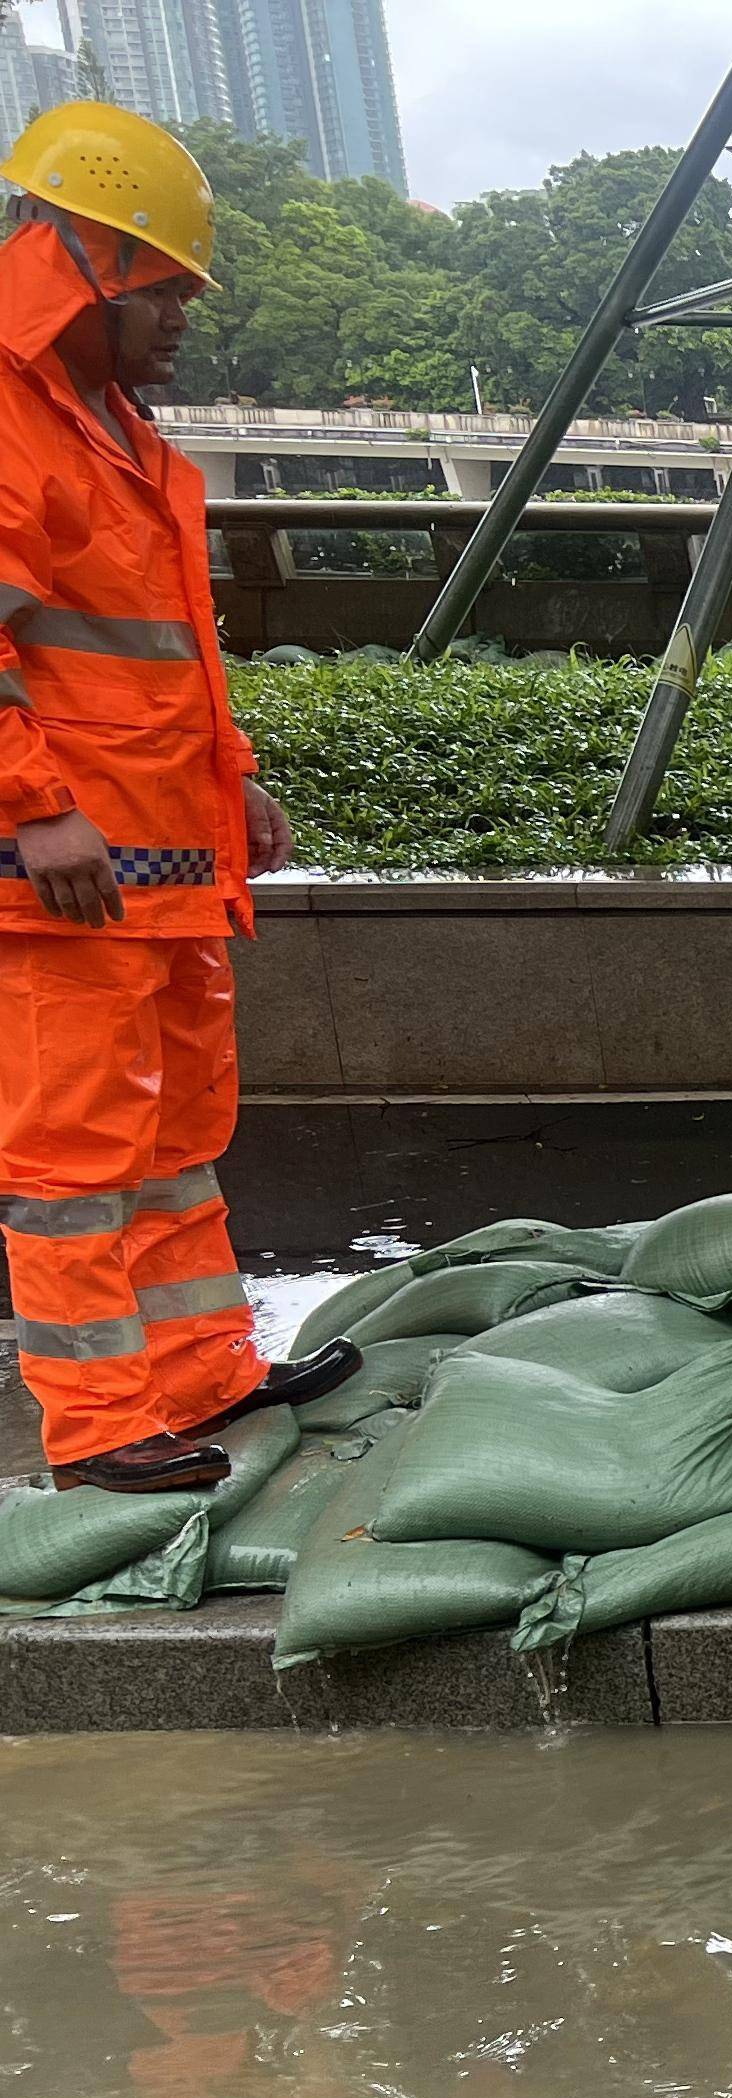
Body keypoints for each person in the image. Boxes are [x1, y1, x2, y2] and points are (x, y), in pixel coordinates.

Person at [0, 107, 354, 1493]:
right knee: (75, 1154)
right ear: (81, 271)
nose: (182, 319)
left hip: (157, 868)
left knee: (171, 1140)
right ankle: (98, 1425)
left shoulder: (113, 435)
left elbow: (168, 657)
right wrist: (34, 808)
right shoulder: (16, 429)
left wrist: (236, 781)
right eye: (163, 290)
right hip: (66, 875)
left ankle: (201, 1372)